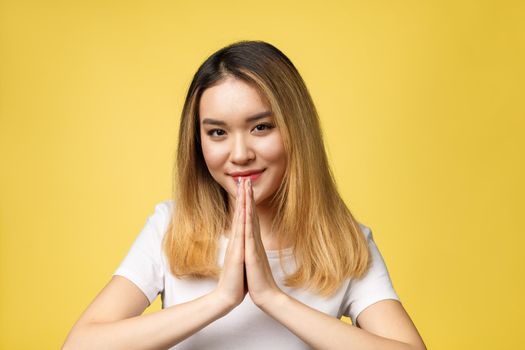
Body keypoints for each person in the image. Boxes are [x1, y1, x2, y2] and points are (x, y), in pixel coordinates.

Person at [62, 40, 426, 350]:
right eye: (217, 133)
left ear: (295, 130)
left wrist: (272, 298)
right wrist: (220, 300)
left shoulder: (343, 243)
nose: (239, 154)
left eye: (261, 127)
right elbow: (80, 344)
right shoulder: (169, 227)